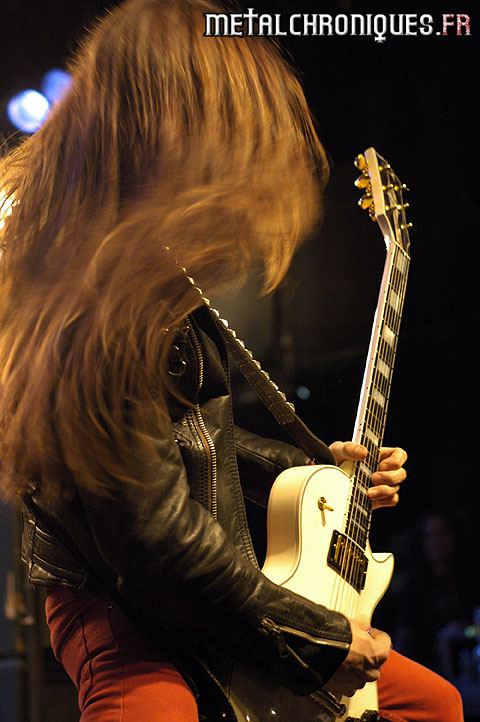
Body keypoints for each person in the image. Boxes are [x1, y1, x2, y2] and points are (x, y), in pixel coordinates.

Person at [0, 1, 463, 720]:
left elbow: (189, 442)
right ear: (174, 130)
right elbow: (151, 540)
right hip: (120, 609)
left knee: (431, 704)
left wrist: (315, 475)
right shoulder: (91, 294)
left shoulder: (150, 266)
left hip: (198, 577)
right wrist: (317, 642)